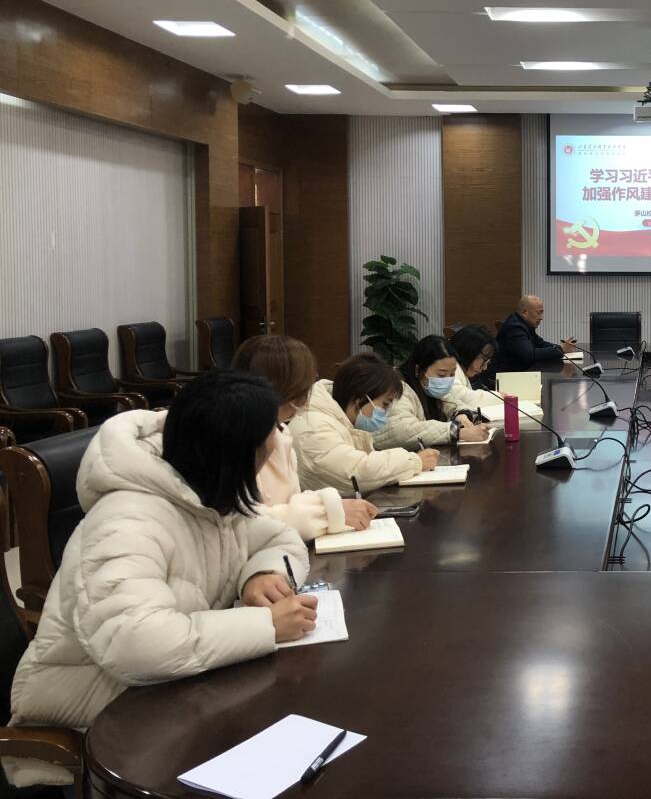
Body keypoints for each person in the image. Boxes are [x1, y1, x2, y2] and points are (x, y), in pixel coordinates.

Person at [6, 372, 315, 788]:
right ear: (233, 456)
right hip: (96, 706)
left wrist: (262, 573)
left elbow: (280, 538)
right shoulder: (126, 522)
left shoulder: (206, 492)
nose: (274, 450)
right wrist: (265, 625)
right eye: (266, 446)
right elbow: (137, 643)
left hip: (168, 686)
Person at [233, 335, 378, 538]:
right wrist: (328, 512)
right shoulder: (233, 440)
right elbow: (245, 525)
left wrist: (332, 508)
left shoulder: (279, 432)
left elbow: (289, 502)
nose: (307, 394)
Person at [290, 353, 438, 495]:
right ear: (359, 398)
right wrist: (414, 461)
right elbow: (357, 472)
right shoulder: (314, 426)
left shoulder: (337, 420)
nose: (386, 413)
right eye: (385, 404)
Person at [373, 335, 490, 450]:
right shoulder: (396, 388)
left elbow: (451, 403)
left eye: (452, 374)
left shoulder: (428, 388)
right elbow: (400, 430)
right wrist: (457, 432)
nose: (447, 380)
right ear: (418, 370)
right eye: (441, 374)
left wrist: (461, 415)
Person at [492, 294, 576, 373]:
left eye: (542, 313)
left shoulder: (525, 324)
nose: (541, 317)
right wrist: (561, 350)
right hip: (505, 377)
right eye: (538, 313)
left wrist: (560, 348)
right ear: (525, 313)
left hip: (520, 372)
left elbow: (541, 343)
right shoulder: (514, 327)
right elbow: (530, 355)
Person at [445, 323, 502, 415]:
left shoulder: (461, 370)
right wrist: (500, 397)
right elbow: (466, 398)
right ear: (470, 351)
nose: (485, 367)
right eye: (484, 360)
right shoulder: (448, 369)